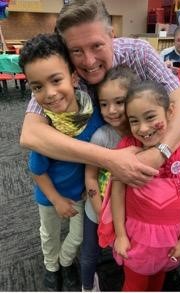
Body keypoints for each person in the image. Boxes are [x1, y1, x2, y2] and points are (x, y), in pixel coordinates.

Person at [20, 0, 180, 192]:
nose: (89, 61)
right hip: (88, 183)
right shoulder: (64, 73)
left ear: (112, 35)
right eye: (77, 51)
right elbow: (31, 134)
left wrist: (157, 155)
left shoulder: (139, 53)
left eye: (97, 45)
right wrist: (111, 159)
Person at [19, 33, 104, 291]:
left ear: (74, 78)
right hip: (49, 197)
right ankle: (51, 266)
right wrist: (56, 200)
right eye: (37, 87)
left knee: (77, 237)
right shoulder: (45, 129)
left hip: (79, 194)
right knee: (50, 234)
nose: (50, 94)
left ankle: (66, 262)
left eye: (56, 80)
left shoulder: (93, 116)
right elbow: (37, 171)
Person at [98, 80, 180, 291]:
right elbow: (117, 193)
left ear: (170, 111)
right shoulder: (127, 147)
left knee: (157, 282)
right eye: (134, 121)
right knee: (135, 286)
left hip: (171, 240)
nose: (143, 128)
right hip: (137, 238)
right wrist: (121, 235)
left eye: (151, 117)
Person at [81, 65, 138, 291]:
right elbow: (91, 177)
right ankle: (87, 286)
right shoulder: (101, 137)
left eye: (119, 102)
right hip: (97, 209)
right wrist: (99, 212)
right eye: (104, 104)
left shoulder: (142, 135)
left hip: (129, 210)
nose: (111, 110)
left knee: (129, 249)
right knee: (89, 253)